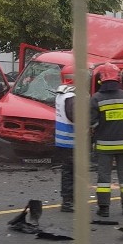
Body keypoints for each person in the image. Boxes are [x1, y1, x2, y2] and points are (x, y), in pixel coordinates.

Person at [91, 62, 123, 217]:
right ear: (118, 78)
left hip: (105, 147)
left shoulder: (96, 99)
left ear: (101, 79)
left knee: (104, 178)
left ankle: (104, 209)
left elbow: (91, 122)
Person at [54, 83, 76, 212]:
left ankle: (68, 200)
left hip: (62, 139)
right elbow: (74, 116)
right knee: (71, 172)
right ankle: (68, 202)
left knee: (68, 171)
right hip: (71, 140)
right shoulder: (71, 97)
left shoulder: (60, 95)